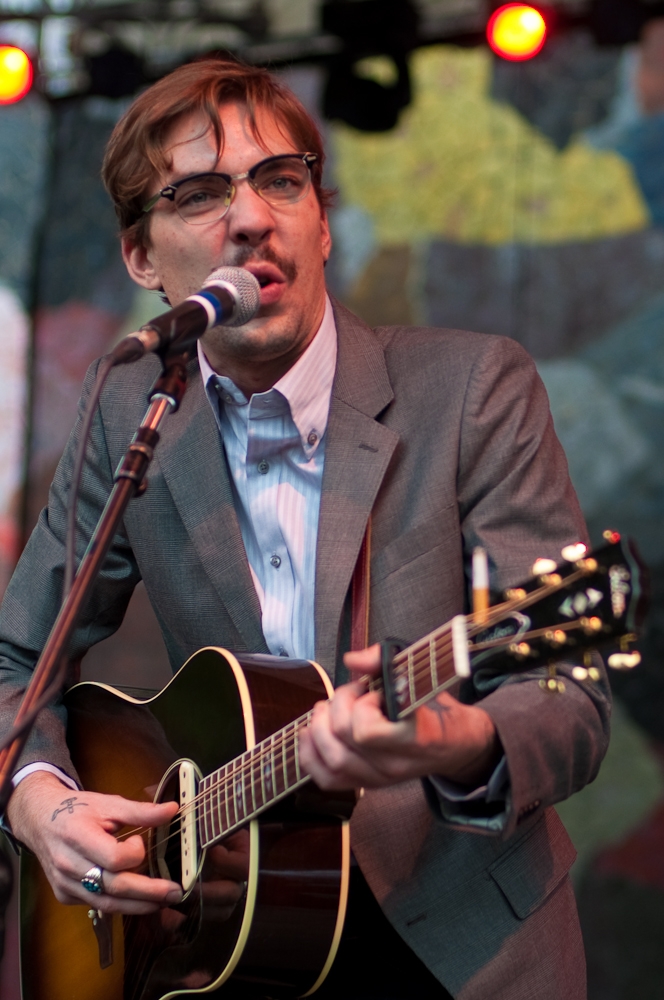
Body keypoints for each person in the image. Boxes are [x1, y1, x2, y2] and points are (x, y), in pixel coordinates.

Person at [0, 58, 608, 999]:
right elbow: (14, 660)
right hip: (227, 944)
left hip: (464, 949)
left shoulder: (474, 389)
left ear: (321, 219)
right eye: (199, 194)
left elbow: (567, 698)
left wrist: (454, 744)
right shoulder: (131, 406)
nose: (250, 218)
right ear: (142, 260)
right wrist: (40, 802)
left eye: (280, 180)